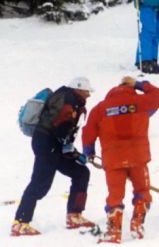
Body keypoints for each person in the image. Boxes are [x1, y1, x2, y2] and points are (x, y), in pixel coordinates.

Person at [82, 77, 159, 243]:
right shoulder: (140, 101)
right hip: (138, 157)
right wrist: (139, 84)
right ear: (130, 88)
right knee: (142, 190)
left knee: (115, 195)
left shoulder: (100, 108)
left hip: (113, 159)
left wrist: (89, 152)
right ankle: (137, 226)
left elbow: (88, 132)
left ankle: (114, 232)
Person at [12, 77, 95, 236]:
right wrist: (71, 151)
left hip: (52, 145)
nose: (88, 95)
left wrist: (72, 151)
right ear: (78, 89)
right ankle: (20, 223)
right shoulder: (68, 101)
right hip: (47, 145)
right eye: (87, 91)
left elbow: (63, 133)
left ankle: (74, 215)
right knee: (40, 183)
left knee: (81, 173)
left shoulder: (70, 100)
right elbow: (61, 130)